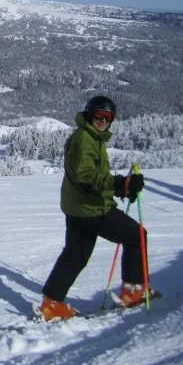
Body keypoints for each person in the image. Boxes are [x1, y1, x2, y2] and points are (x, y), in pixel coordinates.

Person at [39, 95, 156, 321]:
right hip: (92, 209)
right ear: (90, 114)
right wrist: (119, 184)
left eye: (108, 117)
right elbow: (87, 177)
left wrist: (123, 188)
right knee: (137, 236)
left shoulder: (93, 138)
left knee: (75, 255)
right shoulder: (84, 140)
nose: (103, 121)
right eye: (99, 116)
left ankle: (51, 303)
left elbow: (93, 177)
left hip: (77, 208)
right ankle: (133, 291)